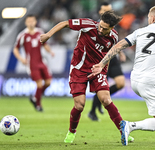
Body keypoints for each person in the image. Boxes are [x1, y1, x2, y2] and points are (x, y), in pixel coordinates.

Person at [89, 5, 155, 145]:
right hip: (150, 81)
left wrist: (101, 64)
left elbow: (118, 46)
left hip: (135, 79)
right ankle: (130, 126)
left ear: (152, 18)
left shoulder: (140, 31)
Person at [40, 11, 134, 144]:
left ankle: (123, 131)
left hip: (97, 70)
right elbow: (65, 23)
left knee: (106, 100)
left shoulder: (114, 37)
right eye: (100, 26)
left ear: (112, 28)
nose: (100, 30)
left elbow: (110, 53)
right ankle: (72, 132)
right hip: (79, 69)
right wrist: (48, 35)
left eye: (105, 29)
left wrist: (102, 68)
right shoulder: (88, 25)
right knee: (79, 105)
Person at [88, 2, 126, 121]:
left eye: (110, 10)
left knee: (120, 83)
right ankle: (93, 112)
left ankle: (99, 103)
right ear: (100, 12)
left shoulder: (112, 23)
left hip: (112, 57)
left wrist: (120, 52)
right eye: (105, 10)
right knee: (101, 87)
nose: (108, 13)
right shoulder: (95, 26)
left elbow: (114, 40)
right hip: (99, 60)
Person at [13, 15, 54, 112]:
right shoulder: (22, 35)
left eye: (32, 21)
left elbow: (45, 44)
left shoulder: (40, 32)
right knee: (39, 85)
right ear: (26, 23)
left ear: (35, 22)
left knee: (48, 82)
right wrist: (21, 58)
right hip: (32, 64)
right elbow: (15, 48)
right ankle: (38, 104)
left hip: (42, 62)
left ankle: (35, 97)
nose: (31, 23)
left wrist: (50, 51)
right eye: (29, 21)